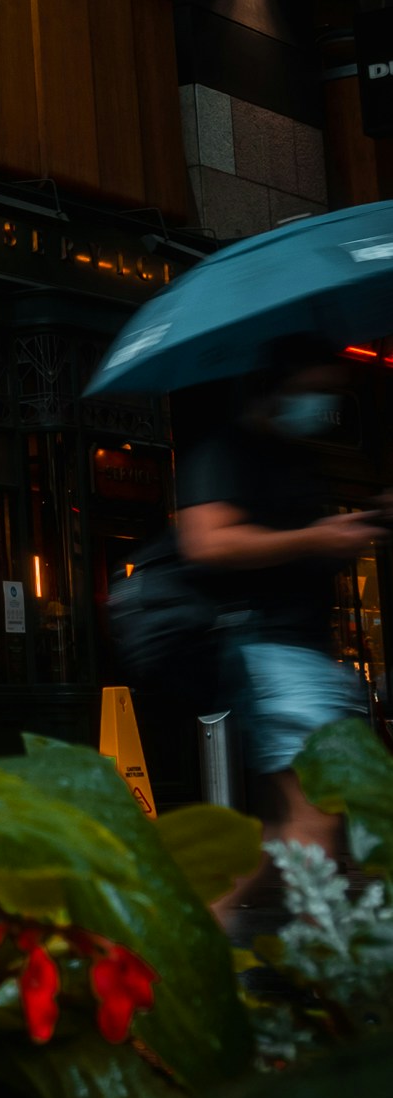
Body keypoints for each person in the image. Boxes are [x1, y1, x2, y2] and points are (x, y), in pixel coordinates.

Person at [175, 334, 385, 853]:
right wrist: (316, 537)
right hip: (269, 651)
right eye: (316, 389)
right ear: (276, 389)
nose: (327, 405)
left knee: (297, 823)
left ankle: (202, 913)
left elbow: (300, 551)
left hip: (308, 653)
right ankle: (315, 932)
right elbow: (206, 541)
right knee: (316, 811)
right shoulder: (227, 452)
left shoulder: (300, 460)